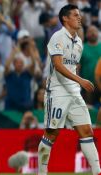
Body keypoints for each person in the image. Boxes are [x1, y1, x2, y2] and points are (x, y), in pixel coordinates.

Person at [38, 4, 101, 175]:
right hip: (57, 91)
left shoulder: (79, 42)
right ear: (65, 18)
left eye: (79, 15)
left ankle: (97, 171)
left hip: (74, 92)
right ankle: (41, 172)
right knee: (52, 133)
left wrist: (78, 83)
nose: (79, 17)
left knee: (87, 131)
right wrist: (80, 80)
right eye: (75, 15)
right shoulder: (57, 37)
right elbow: (58, 65)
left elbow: (73, 67)